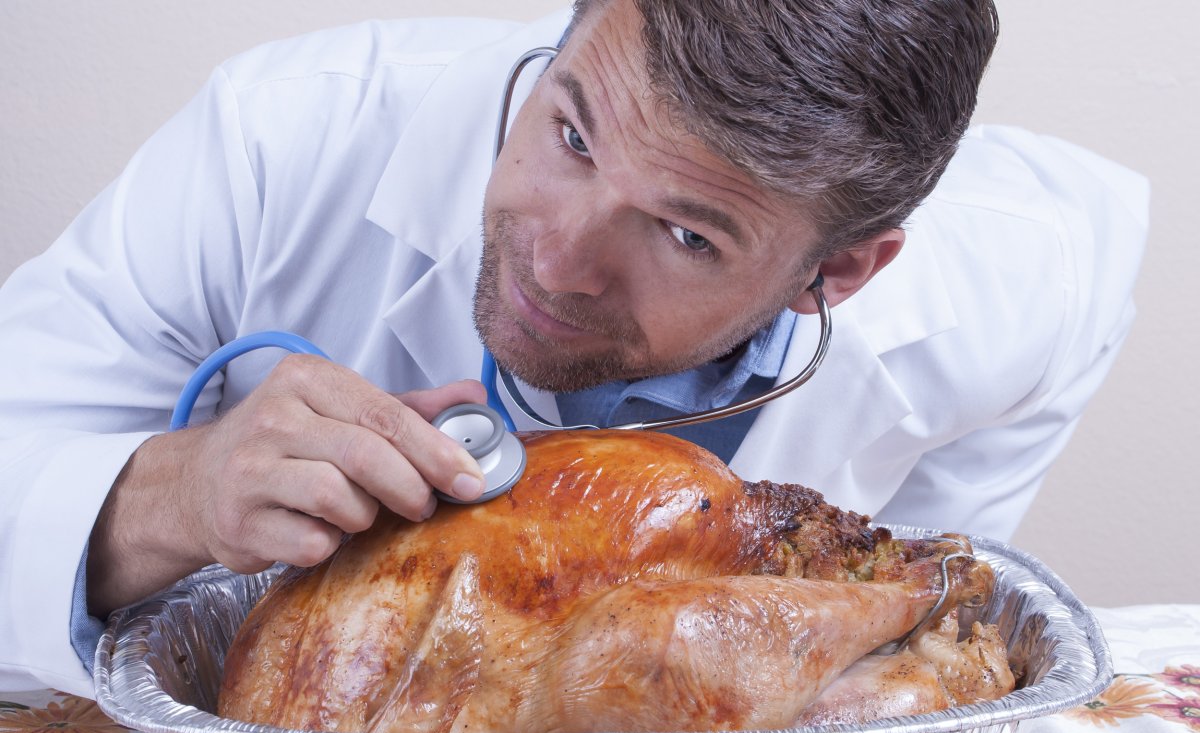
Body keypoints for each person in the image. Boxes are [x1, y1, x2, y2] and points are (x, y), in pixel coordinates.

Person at [0, 0, 1147, 697]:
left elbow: (922, 639)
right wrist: (170, 496)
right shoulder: (277, 144)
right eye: (571, 133)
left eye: (689, 233)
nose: (557, 262)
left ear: (833, 274)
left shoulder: (1018, 290)